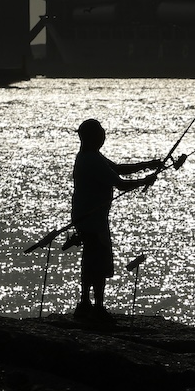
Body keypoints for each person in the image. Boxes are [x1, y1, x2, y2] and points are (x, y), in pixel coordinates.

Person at [70, 118, 161, 321]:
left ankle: (85, 303)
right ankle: (97, 307)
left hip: (84, 217)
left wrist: (149, 165)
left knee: (89, 259)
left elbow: (118, 169)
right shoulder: (92, 160)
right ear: (93, 137)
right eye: (101, 134)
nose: (104, 137)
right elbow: (120, 184)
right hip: (93, 219)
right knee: (98, 261)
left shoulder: (88, 156)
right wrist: (144, 181)